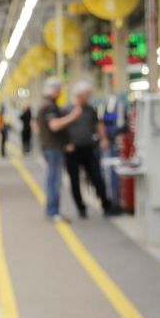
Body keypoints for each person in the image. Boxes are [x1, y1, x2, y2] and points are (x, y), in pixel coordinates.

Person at [65, 81, 120, 218]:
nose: (89, 97)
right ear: (79, 95)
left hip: (88, 148)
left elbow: (99, 124)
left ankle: (106, 205)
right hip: (72, 150)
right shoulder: (66, 109)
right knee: (74, 180)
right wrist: (66, 143)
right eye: (87, 95)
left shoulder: (90, 109)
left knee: (97, 177)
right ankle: (81, 208)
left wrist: (103, 139)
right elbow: (61, 129)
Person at [37, 77, 82, 222]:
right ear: (55, 90)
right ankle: (53, 211)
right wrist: (72, 117)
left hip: (50, 146)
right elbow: (54, 126)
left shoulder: (46, 104)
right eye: (59, 90)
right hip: (53, 148)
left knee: (52, 179)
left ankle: (52, 210)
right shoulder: (49, 106)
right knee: (55, 180)